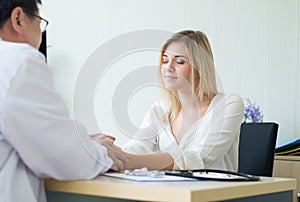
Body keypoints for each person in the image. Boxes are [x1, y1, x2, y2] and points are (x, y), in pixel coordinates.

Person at [0, 0, 126, 201]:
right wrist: (99, 151)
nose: (40, 32)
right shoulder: (18, 61)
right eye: (39, 21)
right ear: (18, 19)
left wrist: (77, 141)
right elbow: (63, 157)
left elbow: (22, 136)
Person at [119, 30, 244, 171]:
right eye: (165, 60)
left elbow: (200, 159)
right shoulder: (159, 110)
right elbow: (135, 148)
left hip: (213, 192)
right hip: (170, 192)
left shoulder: (228, 105)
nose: (168, 67)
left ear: (199, 67)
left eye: (179, 61)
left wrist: (129, 161)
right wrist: (107, 151)